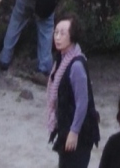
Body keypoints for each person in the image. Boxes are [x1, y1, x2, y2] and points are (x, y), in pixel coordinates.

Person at [47, 14, 100, 168]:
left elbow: (82, 102)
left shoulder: (76, 65)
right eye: (56, 32)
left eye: (62, 33)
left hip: (80, 132)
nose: (57, 37)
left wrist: (74, 131)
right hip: (66, 126)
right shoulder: (62, 59)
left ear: (72, 36)